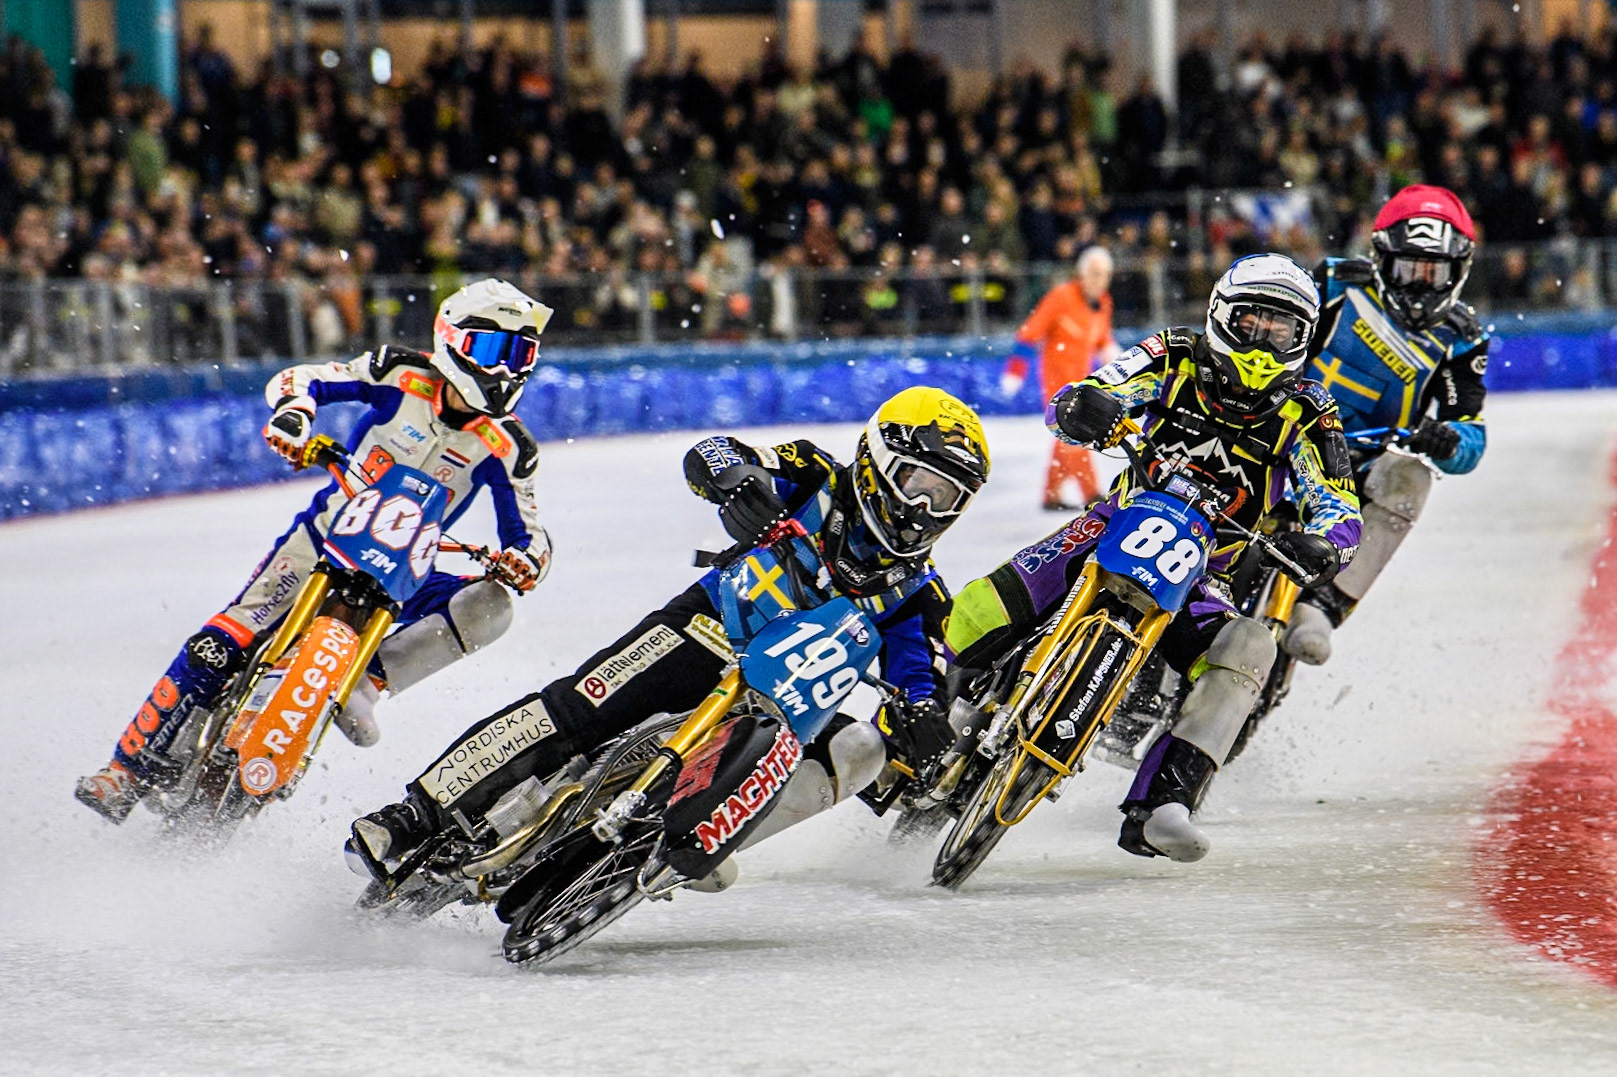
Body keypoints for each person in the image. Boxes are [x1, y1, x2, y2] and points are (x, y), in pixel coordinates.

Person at [349, 387, 992, 868]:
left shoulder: (919, 590)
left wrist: (921, 710)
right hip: (706, 629)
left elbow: (918, 668)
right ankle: (414, 814)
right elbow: (715, 451)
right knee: (578, 709)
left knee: (861, 751)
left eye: (949, 499)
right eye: (921, 484)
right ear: (880, 459)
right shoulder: (816, 474)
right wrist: (734, 480)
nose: (925, 510)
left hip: (787, 704)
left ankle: (693, 850)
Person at [75, 279, 557, 823]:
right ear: (451, 341)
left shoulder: (511, 447)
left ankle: (368, 682)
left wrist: (524, 561)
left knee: (493, 606)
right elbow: (303, 378)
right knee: (223, 639)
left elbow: (531, 531)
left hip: (411, 566)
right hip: (324, 537)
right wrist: (294, 415)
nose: (504, 371)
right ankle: (126, 768)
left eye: (521, 355)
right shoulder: (397, 371)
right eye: (492, 352)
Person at [944, 254, 1362, 862]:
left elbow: (1338, 502)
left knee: (1252, 648)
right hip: (1108, 525)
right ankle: (936, 715)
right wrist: (1085, 406)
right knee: (981, 609)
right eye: (1253, 322)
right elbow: (1098, 387)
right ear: (1222, 314)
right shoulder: (1172, 354)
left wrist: (1328, 542)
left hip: (1203, 576)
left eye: (1282, 330)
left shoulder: (1310, 412)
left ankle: (1165, 803)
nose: (1264, 342)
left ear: (1303, 339)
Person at [1282, 185, 1489, 665]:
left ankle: (1323, 606)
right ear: (1380, 257)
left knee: (1411, 478)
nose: (1419, 286)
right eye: (1408, 269)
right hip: (1277, 435)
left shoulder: (1462, 338)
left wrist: (1447, 439)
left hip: (1356, 469)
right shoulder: (1334, 283)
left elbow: (1472, 438)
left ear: (1458, 272)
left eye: (1432, 273)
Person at [999, 245, 1121, 510]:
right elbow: (1029, 333)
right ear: (1082, 273)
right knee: (1074, 429)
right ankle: (1092, 494)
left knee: (1065, 435)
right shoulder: (1061, 297)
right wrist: (1015, 370)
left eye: (1104, 274)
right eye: (1094, 273)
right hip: (1057, 378)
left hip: (1083, 378)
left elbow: (1103, 340)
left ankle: (1051, 493)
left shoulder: (1104, 303)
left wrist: (1114, 359)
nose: (1098, 280)